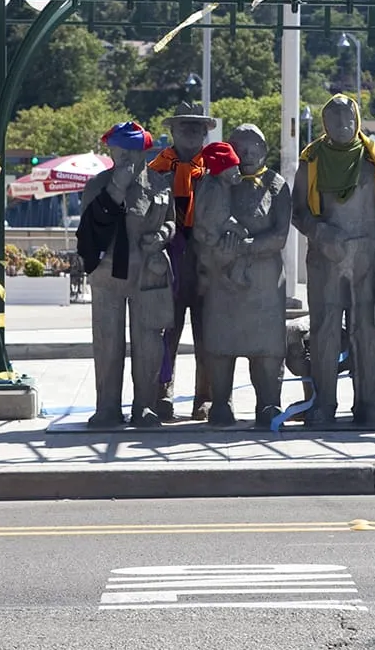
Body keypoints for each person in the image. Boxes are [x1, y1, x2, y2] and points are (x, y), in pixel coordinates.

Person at [292, 94, 375, 427]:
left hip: (366, 257)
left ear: (358, 120)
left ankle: (366, 404)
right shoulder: (311, 162)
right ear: (324, 124)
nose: (343, 125)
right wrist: (323, 235)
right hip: (325, 259)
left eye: (349, 119)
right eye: (335, 120)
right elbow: (298, 212)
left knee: (365, 332)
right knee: (324, 332)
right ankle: (324, 404)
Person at [77, 121, 176, 428]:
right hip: (108, 274)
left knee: (148, 341)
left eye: (130, 154)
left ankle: (144, 405)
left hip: (148, 272)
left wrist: (162, 235)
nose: (124, 160)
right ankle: (107, 405)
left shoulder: (160, 184)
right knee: (108, 341)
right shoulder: (98, 184)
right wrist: (116, 188)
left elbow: (172, 222)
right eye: (118, 153)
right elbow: (89, 228)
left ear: (143, 153)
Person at [193, 129, 291, 427]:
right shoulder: (214, 183)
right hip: (223, 279)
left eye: (254, 147)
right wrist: (217, 249)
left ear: (264, 148)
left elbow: (280, 235)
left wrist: (249, 247)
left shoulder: (276, 185)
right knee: (221, 343)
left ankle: (269, 404)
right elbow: (201, 227)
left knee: (268, 348)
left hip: (264, 282)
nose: (247, 154)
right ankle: (220, 403)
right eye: (240, 148)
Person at [148, 101, 217, 420]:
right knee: (166, 331)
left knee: (207, 335)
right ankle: (162, 392)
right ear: (171, 131)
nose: (190, 132)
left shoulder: (217, 171)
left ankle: (205, 397)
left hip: (206, 262)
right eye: (183, 126)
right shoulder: (157, 171)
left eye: (196, 127)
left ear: (206, 132)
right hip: (170, 259)